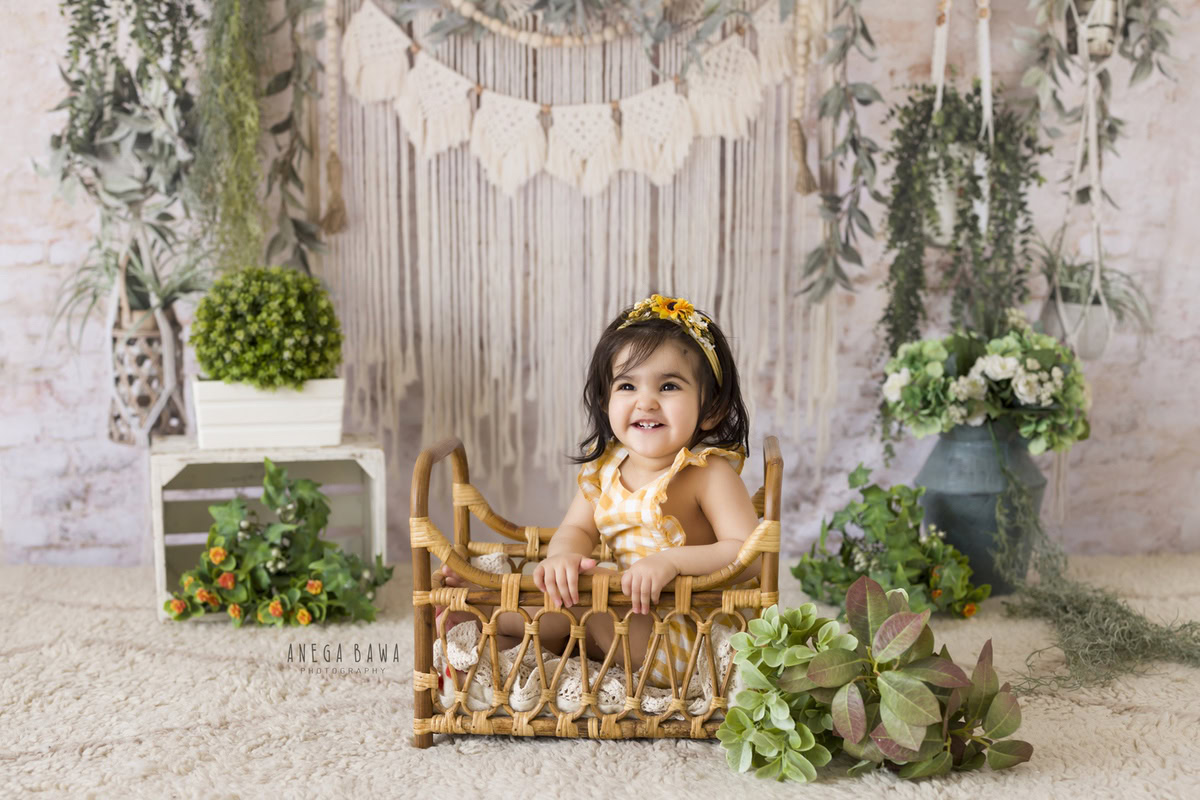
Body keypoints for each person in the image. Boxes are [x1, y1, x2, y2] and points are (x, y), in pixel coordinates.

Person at [439, 293, 761, 687]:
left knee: (593, 594)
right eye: (627, 385)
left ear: (710, 409)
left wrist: (672, 563)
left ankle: (492, 617)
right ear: (606, 399)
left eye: (669, 386)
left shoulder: (708, 473)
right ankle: (490, 620)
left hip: (679, 633)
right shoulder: (606, 469)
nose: (646, 401)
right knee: (559, 592)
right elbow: (576, 530)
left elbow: (750, 555)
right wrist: (563, 559)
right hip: (618, 618)